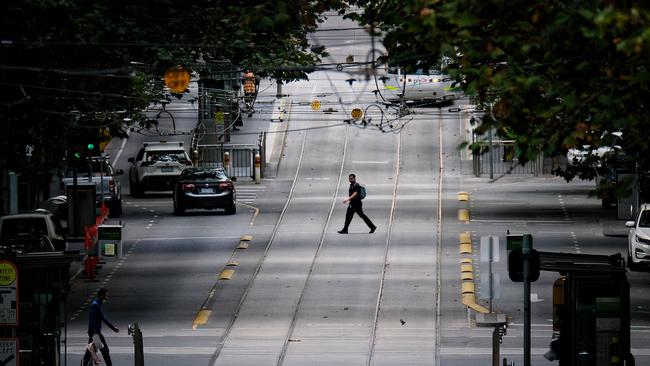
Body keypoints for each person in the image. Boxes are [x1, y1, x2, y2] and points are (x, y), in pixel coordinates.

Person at [82, 288, 119, 366]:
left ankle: (84, 363)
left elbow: (102, 318)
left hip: (94, 332)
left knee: (89, 351)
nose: (107, 296)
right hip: (95, 333)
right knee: (105, 351)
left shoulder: (97, 304)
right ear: (102, 296)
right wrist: (96, 333)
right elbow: (96, 319)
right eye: (106, 295)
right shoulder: (95, 305)